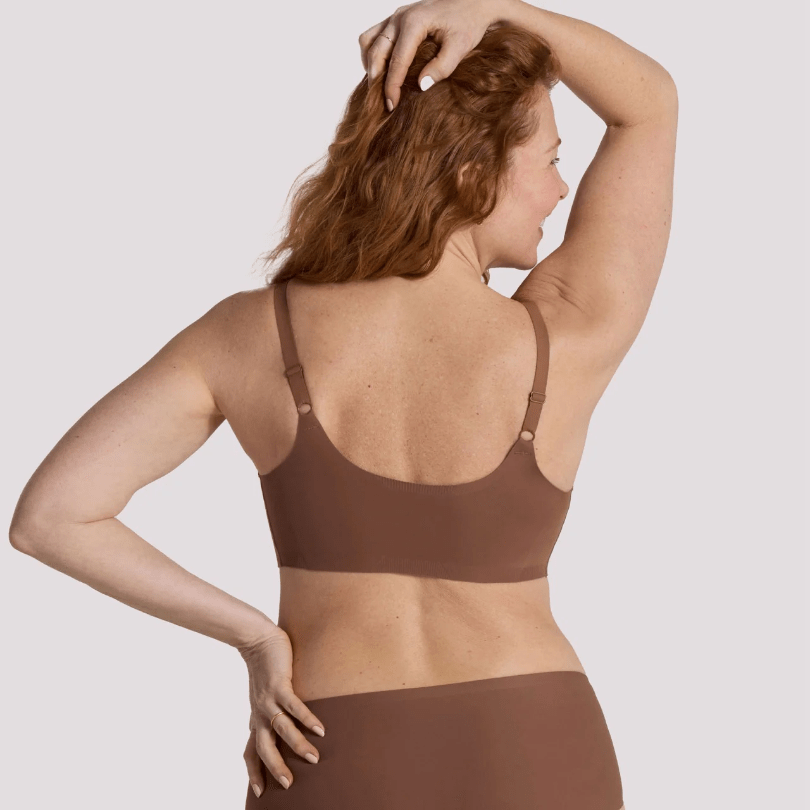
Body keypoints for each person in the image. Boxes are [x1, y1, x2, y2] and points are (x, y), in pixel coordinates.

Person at [8, 0, 677, 807]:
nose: (561, 188)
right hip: (534, 745)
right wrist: (492, 8)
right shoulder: (565, 335)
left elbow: (52, 517)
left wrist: (256, 638)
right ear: (475, 171)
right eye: (549, 160)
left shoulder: (251, 335)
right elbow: (648, 105)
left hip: (328, 747)